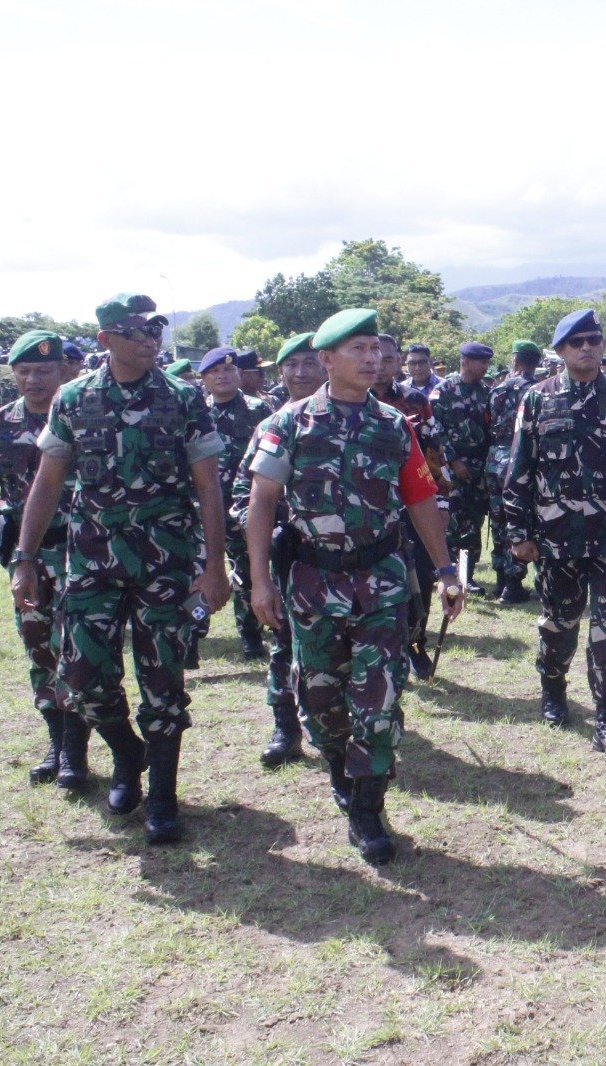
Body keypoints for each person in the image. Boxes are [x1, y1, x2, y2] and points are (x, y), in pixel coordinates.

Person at [246, 308, 463, 865]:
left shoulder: (394, 425)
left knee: (379, 700)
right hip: (313, 582)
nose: (372, 359)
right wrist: (260, 582)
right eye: (357, 349)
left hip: (382, 582)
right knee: (318, 699)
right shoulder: (288, 424)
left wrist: (444, 571)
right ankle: (340, 768)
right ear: (325, 360)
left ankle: (368, 807)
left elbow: (419, 498)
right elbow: (262, 503)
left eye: (374, 348)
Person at [13, 293, 231, 846]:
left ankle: (161, 796)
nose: (151, 338)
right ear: (106, 339)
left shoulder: (183, 398)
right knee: (80, 677)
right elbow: (47, 481)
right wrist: (26, 557)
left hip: (165, 557)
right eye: (137, 330)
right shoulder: (75, 398)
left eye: (155, 328)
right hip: (92, 558)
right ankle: (126, 751)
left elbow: (208, 486)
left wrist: (214, 566)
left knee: (162, 680)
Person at [502, 308, 606, 759]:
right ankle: (553, 687)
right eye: (577, 342)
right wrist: (518, 533)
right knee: (560, 623)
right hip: (557, 536)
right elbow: (520, 471)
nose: (587, 347)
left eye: (594, 339)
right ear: (560, 351)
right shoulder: (537, 399)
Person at [0, 330, 89, 791]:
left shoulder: (84, 416)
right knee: (40, 647)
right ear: (13, 374)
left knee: (80, 650)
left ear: (64, 371)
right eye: (25, 371)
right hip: (26, 560)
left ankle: (76, 754)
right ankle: (56, 742)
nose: (34, 380)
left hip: (83, 554)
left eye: (44, 370)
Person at [229, 331, 325, 767]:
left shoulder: (351, 418)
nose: (300, 372)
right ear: (281, 372)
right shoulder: (270, 427)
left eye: (309, 363)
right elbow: (240, 497)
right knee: (285, 642)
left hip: (352, 564)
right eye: (292, 365)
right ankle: (285, 728)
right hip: (293, 561)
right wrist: (272, 535)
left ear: (326, 364)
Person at [370, 334, 448, 678]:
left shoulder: (415, 401)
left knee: (420, 579)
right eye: (375, 356)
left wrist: (442, 501)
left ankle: (416, 643)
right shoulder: (350, 398)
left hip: (412, 507)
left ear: (398, 361)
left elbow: (434, 452)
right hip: (368, 512)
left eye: (388, 358)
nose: (380, 365)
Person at [199, 346, 272, 659]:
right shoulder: (197, 412)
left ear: (239, 374)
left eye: (228, 370)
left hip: (245, 506)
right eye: (215, 372)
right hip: (205, 508)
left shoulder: (259, 410)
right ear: (204, 379)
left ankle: (251, 635)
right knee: (198, 570)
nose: (222, 376)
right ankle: (193, 631)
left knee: (246, 570)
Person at [430, 342, 494, 595]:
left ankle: (467, 576)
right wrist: (453, 460)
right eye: (481, 362)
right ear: (466, 361)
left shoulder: (485, 393)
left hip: (478, 468)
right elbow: (434, 429)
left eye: (487, 362)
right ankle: (446, 573)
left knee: (474, 520)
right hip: (450, 466)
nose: (485, 367)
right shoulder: (443, 389)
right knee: (452, 520)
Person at [486, 340, 542, 604]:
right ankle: (512, 584)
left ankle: (500, 580)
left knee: (498, 519)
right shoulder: (536, 391)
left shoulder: (497, 389)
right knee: (519, 520)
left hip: (495, 459)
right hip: (518, 460)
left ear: (515, 361)